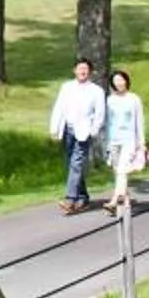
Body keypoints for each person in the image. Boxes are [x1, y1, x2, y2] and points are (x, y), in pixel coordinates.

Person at [45, 59, 106, 215]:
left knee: (76, 163)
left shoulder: (96, 91)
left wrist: (93, 131)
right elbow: (59, 107)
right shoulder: (67, 87)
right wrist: (54, 127)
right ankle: (83, 197)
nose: (82, 71)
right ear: (75, 70)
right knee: (71, 163)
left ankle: (70, 199)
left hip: (84, 132)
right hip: (68, 129)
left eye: (85, 69)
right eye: (80, 69)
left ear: (90, 72)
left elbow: (100, 114)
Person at [102, 66, 149, 212]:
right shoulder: (110, 100)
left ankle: (114, 200)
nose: (119, 83)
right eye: (116, 81)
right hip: (113, 140)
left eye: (121, 80)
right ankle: (127, 200)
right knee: (118, 172)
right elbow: (107, 122)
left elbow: (139, 121)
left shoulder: (134, 99)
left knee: (122, 170)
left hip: (129, 140)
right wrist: (106, 143)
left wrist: (142, 143)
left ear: (126, 81)